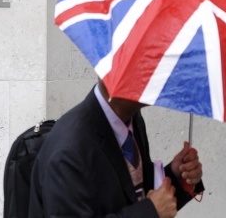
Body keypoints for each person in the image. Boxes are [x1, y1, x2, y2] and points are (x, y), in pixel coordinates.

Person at [28, 80, 204, 218]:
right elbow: (147, 207)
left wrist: (176, 176)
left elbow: (134, 193)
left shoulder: (132, 119)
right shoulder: (69, 152)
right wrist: (150, 212)